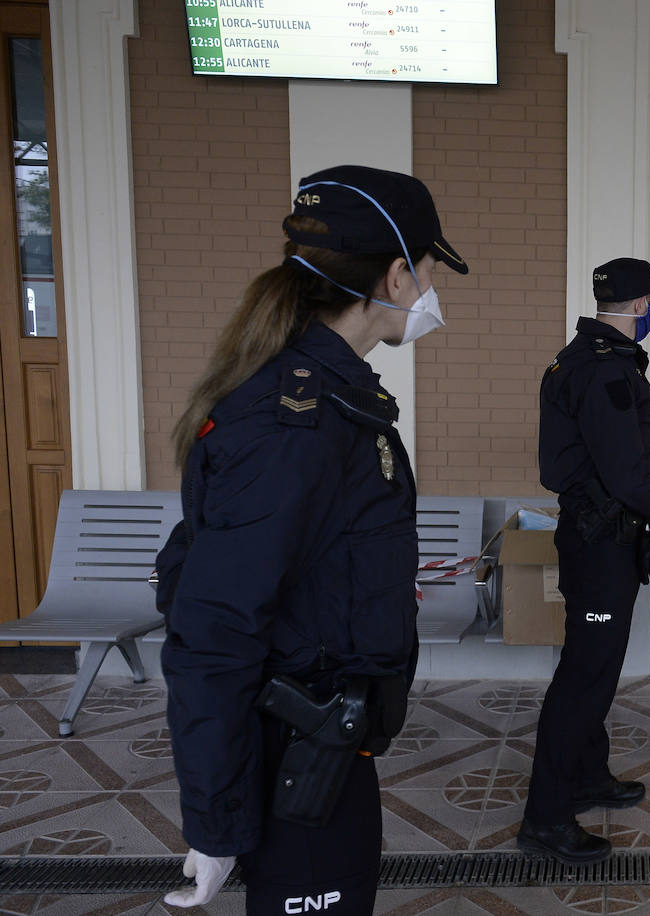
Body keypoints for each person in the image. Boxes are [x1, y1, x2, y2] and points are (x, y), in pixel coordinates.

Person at [154, 165, 468, 912]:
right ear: (396, 276)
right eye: (427, 269)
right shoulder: (294, 422)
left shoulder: (327, 395)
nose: (430, 289)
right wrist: (217, 824)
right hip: (294, 750)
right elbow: (215, 626)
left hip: (326, 742)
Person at [520, 257, 650, 865]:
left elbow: (634, 424)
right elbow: (628, 472)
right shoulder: (606, 369)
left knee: (595, 670)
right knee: (583, 680)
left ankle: (587, 775)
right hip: (601, 543)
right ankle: (546, 818)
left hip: (598, 539)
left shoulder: (588, 358)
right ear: (641, 306)